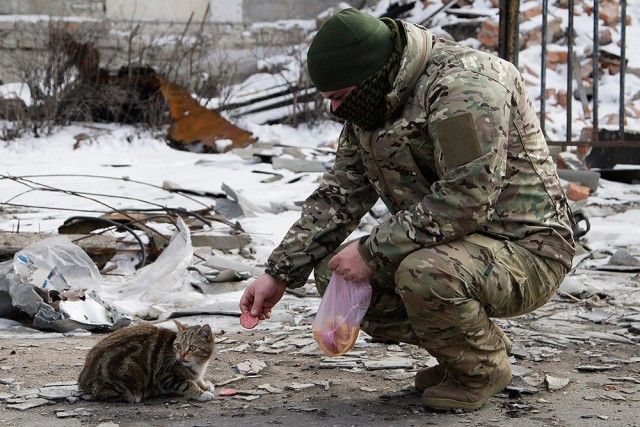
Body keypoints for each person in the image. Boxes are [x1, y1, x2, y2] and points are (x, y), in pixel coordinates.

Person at [240, 7, 575, 411]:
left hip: (527, 248)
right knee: (338, 276)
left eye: (340, 99)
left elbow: (467, 197)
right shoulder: (372, 100)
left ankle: (481, 369)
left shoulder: (465, 87)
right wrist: (278, 272)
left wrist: (372, 251)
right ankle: (465, 348)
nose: (334, 112)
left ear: (372, 75)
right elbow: (339, 195)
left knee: (425, 274)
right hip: (454, 242)